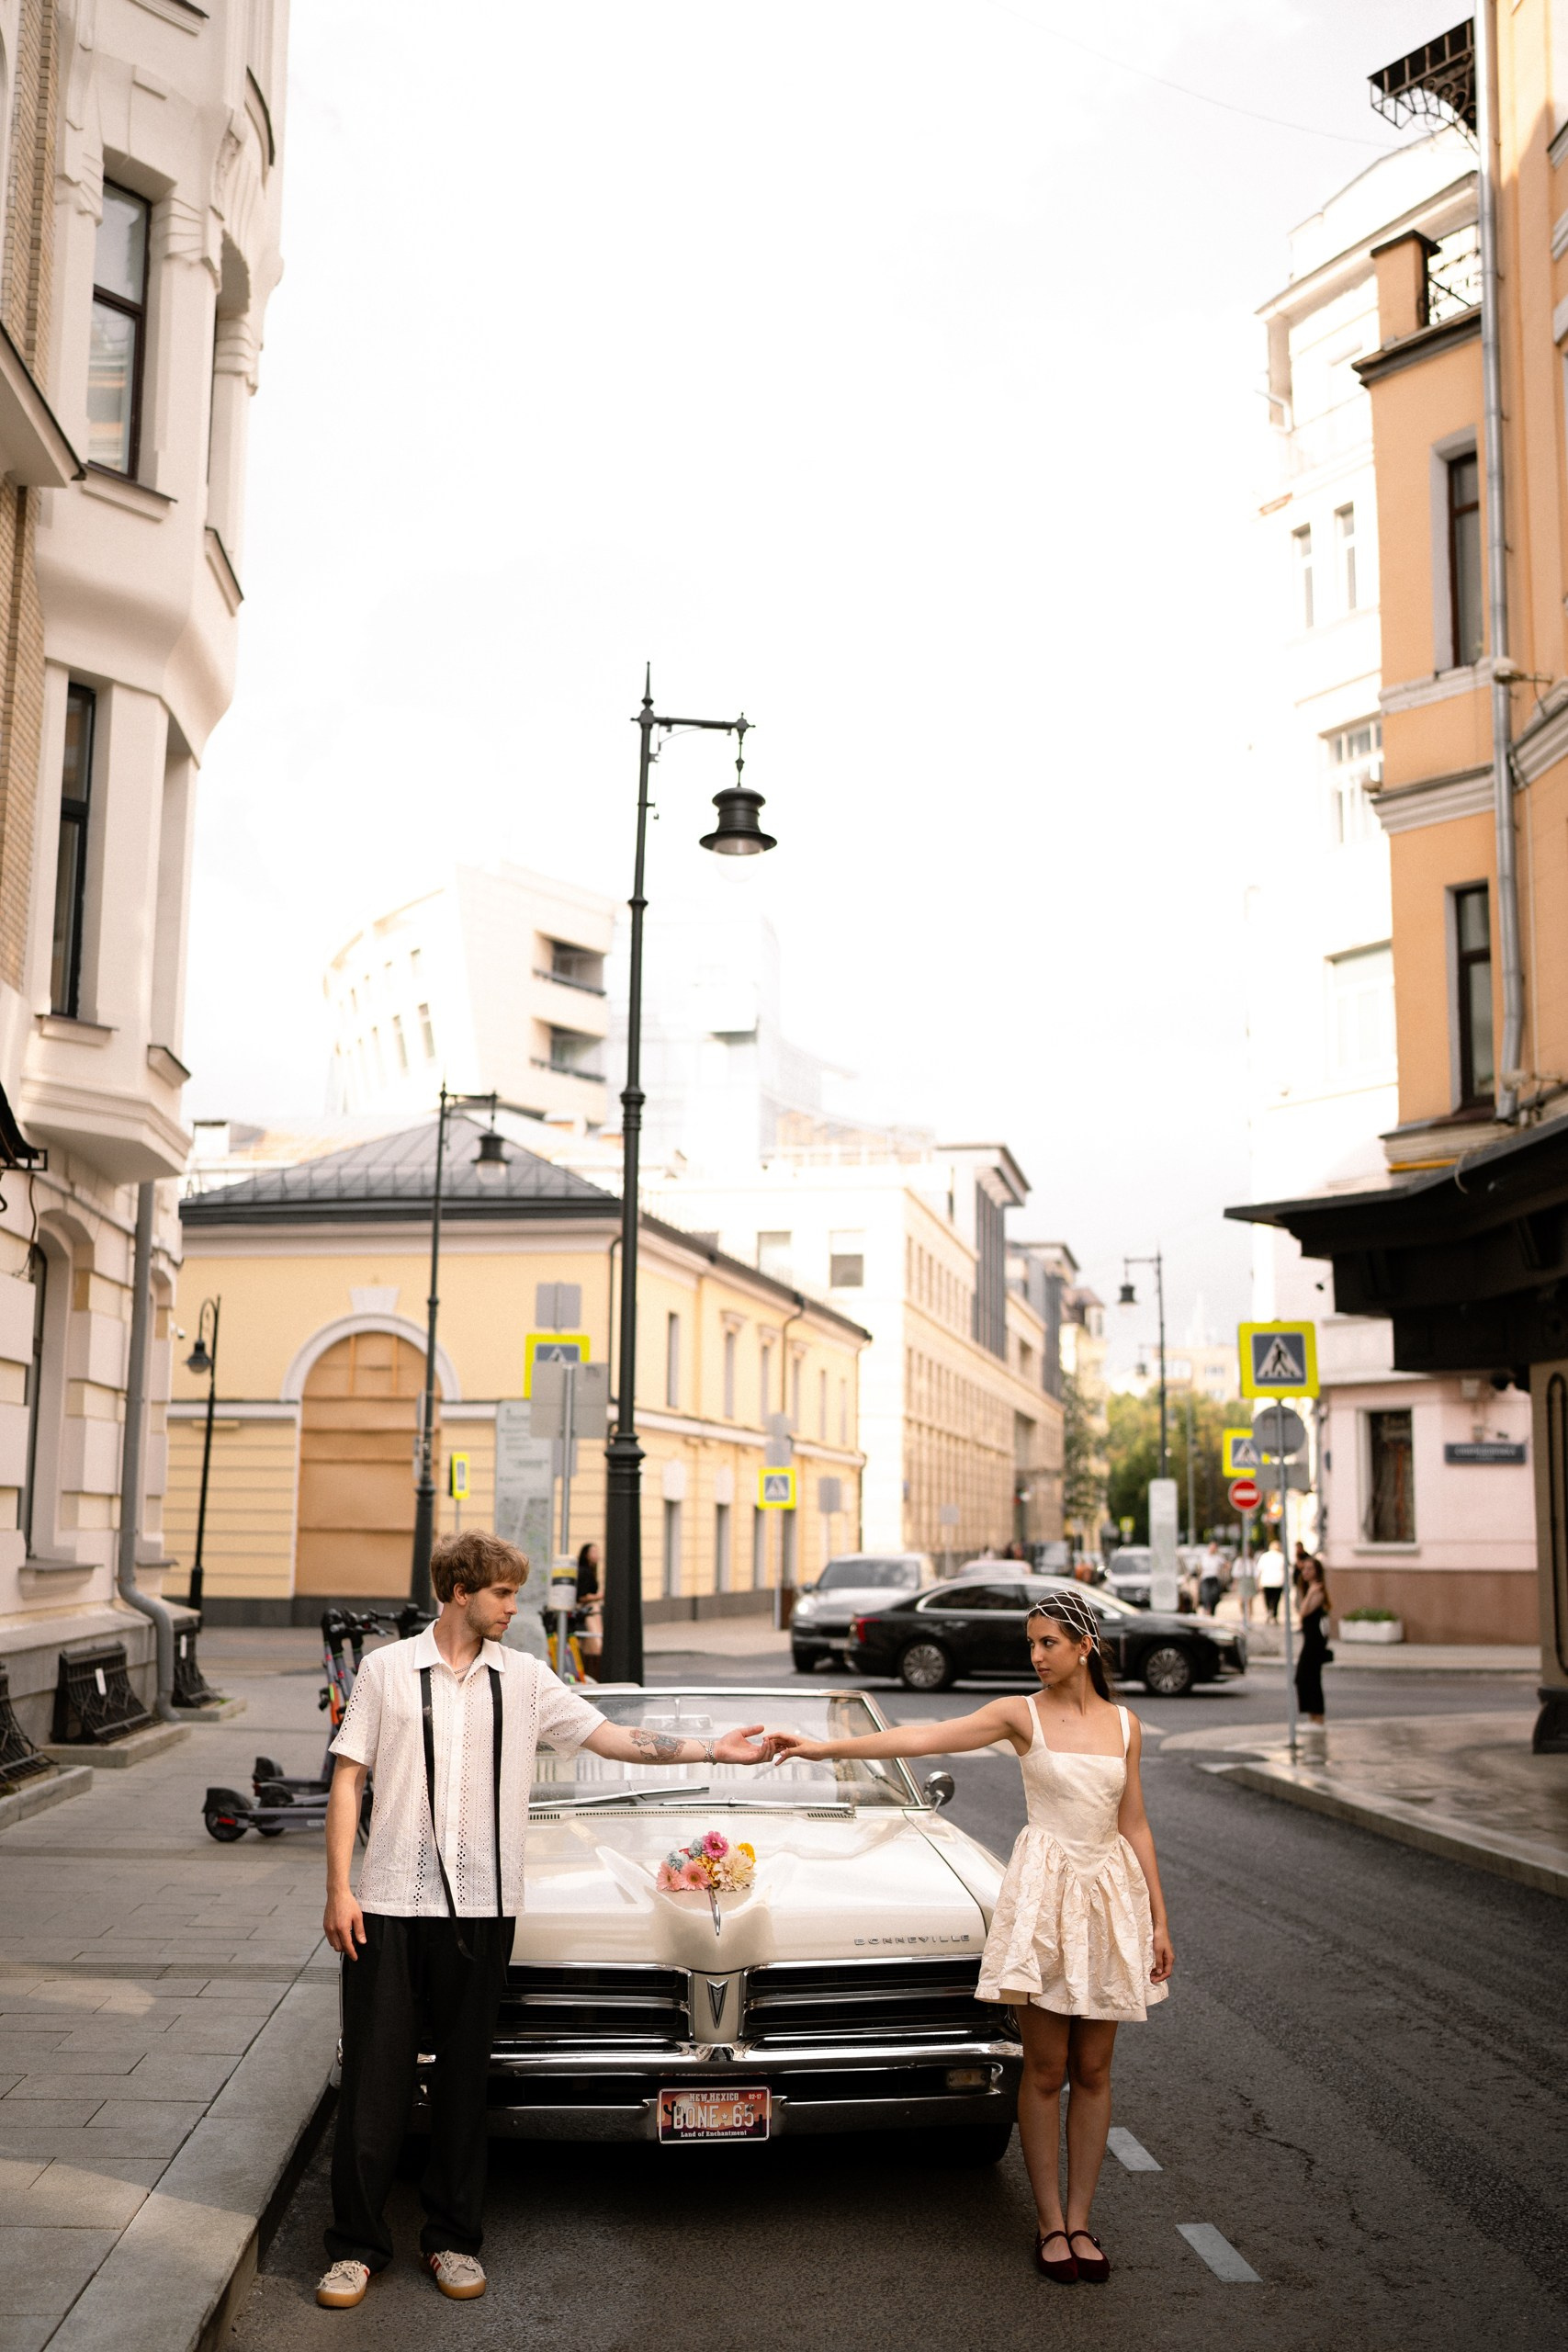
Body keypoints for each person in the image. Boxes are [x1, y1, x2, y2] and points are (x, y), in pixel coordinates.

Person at [315, 1528, 773, 2312]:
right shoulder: (387, 1671)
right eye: (501, 1594)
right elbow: (348, 1778)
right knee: (374, 2084)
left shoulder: (524, 1679)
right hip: (389, 1904)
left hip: (487, 1909)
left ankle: (452, 2238)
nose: (511, 1608)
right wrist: (338, 1890)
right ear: (460, 1591)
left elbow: (616, 1737)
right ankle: (355, 2250)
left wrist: (712, 1752)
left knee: (464, 2083)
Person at [765, 1588, 1171, 2285]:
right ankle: (1049, 2225)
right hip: (1043, 1893)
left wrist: (1159, 1920)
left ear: (1084, 1647)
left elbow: (1133, 1825)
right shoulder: (1019, 1715)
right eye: (1031, 1644)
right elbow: (924, 1737)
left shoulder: (1125, 1726)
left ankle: (1081, 2219)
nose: (1036, 1656)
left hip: (1107, 1898)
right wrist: (824, 1746)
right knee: (1045, 2071)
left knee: (1095, 2071)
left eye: (1047, 1643)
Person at [1294, 1555, 1331, 1725]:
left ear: (1317, 1572)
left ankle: (1318, 1717)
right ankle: (1312, 1716)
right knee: (1305, 1677)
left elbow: (1303, 1612)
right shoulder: (1308, 1589)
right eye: (1304, 1568)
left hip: (1315, 1641)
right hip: (1308, 1638)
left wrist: (1309, 1594)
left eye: (1309, 1569)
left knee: (1308, 1677)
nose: (1305, 1572)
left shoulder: (1318, 1590)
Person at [572, 1540, 603, 1679]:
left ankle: (589, 1674)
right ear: (586, 1555)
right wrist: (598, 1596)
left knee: (591, 1645)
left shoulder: (589, 1570)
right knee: (594, 1646)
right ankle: (590, 1674)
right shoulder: (584, 1571)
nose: (597, 1555)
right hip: (588, 1613)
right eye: (594, 1552)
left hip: (591, 1612)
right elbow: (581, 1596)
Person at [1258, 1537, 1286, 1622]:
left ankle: (1269, 1611)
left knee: (1268, 1598)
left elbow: (1259, 1569)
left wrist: (1259, 1581)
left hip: (1267, 1581)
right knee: (1276, 1599)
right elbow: (1285, 1570)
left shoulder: (1265, 1556)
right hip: (1278, 1581)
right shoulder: (1281, 1557)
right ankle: (1274, 1614)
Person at [1198, 1542, 1224, 1616]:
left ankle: (1211, 1610)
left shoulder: (1218, 1557)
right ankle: (1207, 1609)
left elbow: (1226, 1564)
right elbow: (1199, 1567)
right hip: (1206, 1578)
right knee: (1206, 1595)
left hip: (1214, 1579)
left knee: (1214, 1596)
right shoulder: (1204, 1556)